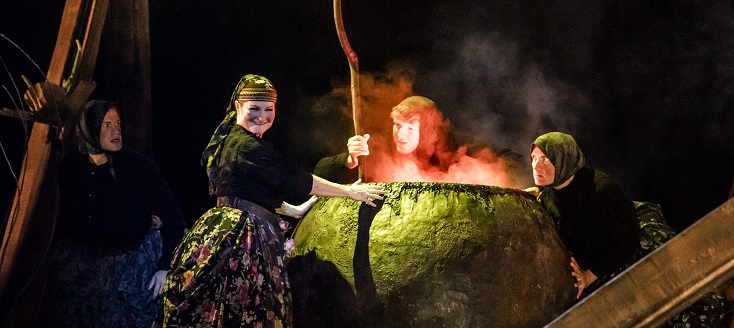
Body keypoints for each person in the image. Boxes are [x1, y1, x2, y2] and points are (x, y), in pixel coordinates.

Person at [156, 74, 384, 327]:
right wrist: (350, 192)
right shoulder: (247, 146)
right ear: (237, 107)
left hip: (226, 227)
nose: (262, 116)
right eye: (253, 108)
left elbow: (247, 190)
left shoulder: (231, 139)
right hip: (242, 237)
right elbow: (296, 179)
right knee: (246, 308)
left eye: (269, 109)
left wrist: (294, 209)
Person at [40, 100, 186, 327]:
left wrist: (165, 267)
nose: (116, 130)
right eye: (106, 125)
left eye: (117, 123)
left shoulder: (138, 167)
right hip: (87, 264)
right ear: (89, 130)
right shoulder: (71, 169)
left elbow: (174, 218)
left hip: (131, 262)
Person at [315, 95, 526, 187]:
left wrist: (485, 177)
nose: (401, 134)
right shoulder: (382, 150)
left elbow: (512, 160)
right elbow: (320, 173)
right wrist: (349, 160)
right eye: (397, 124)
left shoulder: (455, 146)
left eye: (410, 127)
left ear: (426, 129)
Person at [528, 131, 639, 299]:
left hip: (621, 277)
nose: (536, 166)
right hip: (582, 274)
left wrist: (589, 275)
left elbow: (628, 243)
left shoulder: (602, 190)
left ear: (563, 160)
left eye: (545, 159)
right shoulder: (550, 190)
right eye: (534, 158)